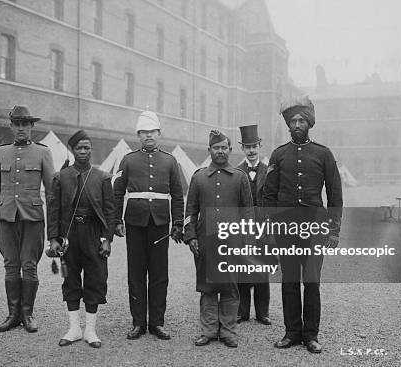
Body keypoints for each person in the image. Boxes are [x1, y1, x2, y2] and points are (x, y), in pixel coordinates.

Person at [263, 95, 343, 353]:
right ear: (288, 125)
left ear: (309, 123)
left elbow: (335, 196)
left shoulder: (323, 154)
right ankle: (291, 332)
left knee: (311, 281)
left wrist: (333, 230)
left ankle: (311, 335)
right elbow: (268, 196)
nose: (297, 124)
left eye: (301, 120)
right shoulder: (279, 155)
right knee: (288, 280)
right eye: (293, 120)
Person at [0, 105, 54, 333]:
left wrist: (54, 231)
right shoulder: (2, 152)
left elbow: (51, 193)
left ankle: (27, 314)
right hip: (6, 218)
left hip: (32, 219)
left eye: (25, 124)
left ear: (32, 127)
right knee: (11, 266)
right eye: (17, 124)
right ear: (11, 126)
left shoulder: (43, 153)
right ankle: (13, 315)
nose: (21, 128)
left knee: (29, 266)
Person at [113, 110, 184, 341]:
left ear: (159, 133)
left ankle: (157, 323)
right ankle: (138, 323)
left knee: (159, 274)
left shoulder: (170, 160)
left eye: (152, 131)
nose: (148, 136)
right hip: (134, 221)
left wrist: (178, 223)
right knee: (135, 273)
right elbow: (117, 193)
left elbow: (177, 194)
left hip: (160, 224)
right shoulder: (128, 159)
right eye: (143, 132)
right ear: (138, 135)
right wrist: (116, 220)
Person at [47, 130, 118, 349]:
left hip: (94, 234)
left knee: (95, 279)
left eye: (87, 147)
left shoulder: (103, 177)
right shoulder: (61, 177)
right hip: (69, 236)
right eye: (79, 148)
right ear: (73, 150)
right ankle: (74, 328)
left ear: (91, 150)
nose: (84, 151)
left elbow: (109, 212)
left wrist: (107, 238)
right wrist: (53, 239)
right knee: (69, 278)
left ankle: (90, 329)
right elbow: (53, 210)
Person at [184, 130, 254, 348]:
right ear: (209, 151)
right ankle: (208, 330)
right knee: (207, 287)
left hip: (233, 242)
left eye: (224, 147)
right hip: (205, 242)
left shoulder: (240, 178)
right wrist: (191, 236)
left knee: (231, 287)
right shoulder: (198, 177)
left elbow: (248, 212)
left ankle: (228, 331)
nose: (220, 151)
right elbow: (190, 211)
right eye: (216, 148)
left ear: (230, 150)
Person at [235, 125, 272, 326]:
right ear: (242, 148)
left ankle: (262, 312)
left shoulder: (269, 171)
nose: (251, 150)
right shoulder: (236, 171)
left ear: (260, 146)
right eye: (247, 147)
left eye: (254, 146)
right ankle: (242, 312)